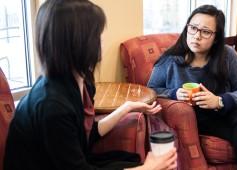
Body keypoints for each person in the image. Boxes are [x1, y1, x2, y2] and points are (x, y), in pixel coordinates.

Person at [4, 0, 177, 170]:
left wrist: (127, 107)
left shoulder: (81, 81)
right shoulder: (51, 105)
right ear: (77, 41)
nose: (102, 39)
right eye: (97, 34)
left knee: (130, 159)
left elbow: (88, 134)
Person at [147, 4, 237, 170]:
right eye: (193, 28)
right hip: (195, 118)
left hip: (226, 112)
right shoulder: (170, 58)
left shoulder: (227, 54)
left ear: (216, 37)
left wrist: (219, 101)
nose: (196, 36)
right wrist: (174, 93)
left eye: (206, 31)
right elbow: (150, 90)